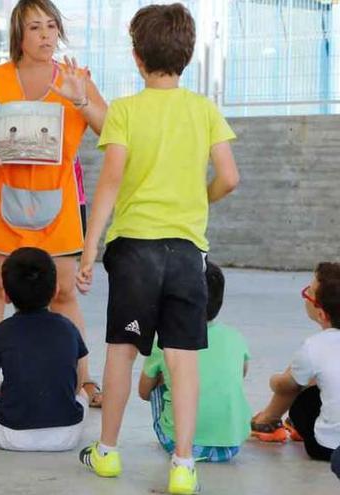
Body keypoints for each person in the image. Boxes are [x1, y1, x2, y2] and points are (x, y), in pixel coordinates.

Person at [75, 4, 239, 494]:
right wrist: (199, 203)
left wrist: (87, 252)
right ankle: (184, 466)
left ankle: (106, 453)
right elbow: (230, 177)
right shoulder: (204, 109)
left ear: (136, 56)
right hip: (187, 252)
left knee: (122, 352)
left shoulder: (125, 110)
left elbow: (109, 184)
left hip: (135, 252)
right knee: (182, 359)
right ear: (186, 54)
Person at [0, 0, 108, 407]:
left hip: (59, 200)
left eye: (51, 26)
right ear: (19, 35)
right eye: (35, 27)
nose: (46, 35)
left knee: (63, 294)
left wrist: (81, 99)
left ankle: (83, 380)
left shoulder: (76, 78)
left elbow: (110, 129)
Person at [0, 247, 89, 451]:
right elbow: (76, 385)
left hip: (11, 435)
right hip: (67, 435)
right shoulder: (70, 328)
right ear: (55, 291)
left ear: (6, 295)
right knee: (83, 396)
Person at [138, 261, 251, 462]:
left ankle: (182, 432)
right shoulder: (236, 337)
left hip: (177, 443)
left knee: (163, 382)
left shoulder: (165, 340)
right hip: (232, 445)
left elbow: (144, 392)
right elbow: (241, 373)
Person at [250, 262, 340, 461]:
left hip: (327, 447)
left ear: (322, 314)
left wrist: (274, 380)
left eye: (309, 292)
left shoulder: (314, 346)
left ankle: (269, 421)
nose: (305, 293)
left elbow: (287, 385)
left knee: (300, 397)